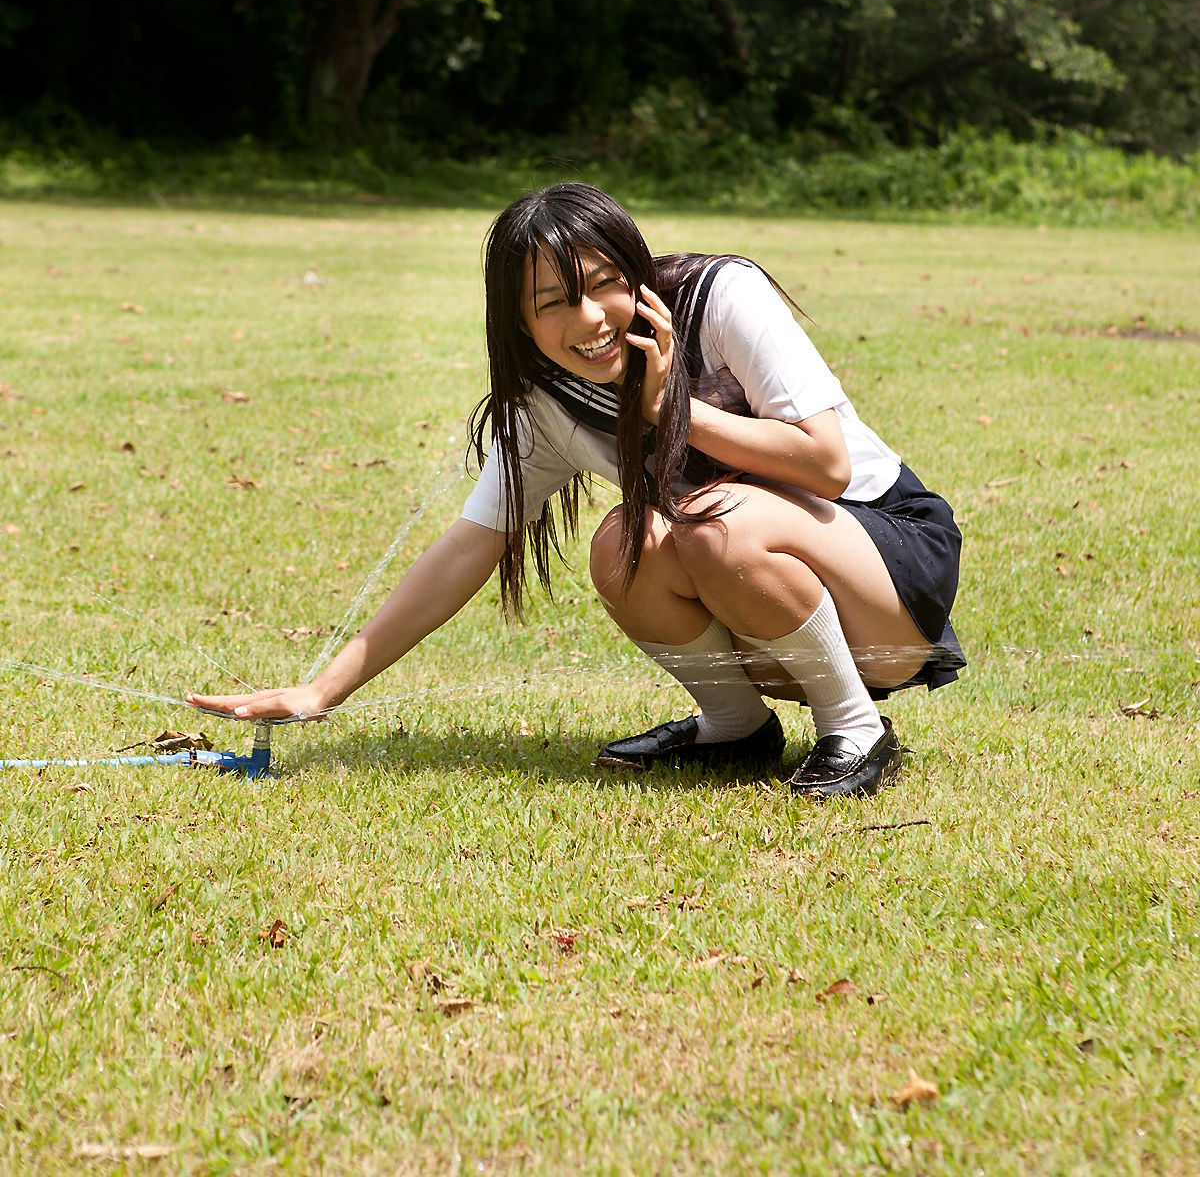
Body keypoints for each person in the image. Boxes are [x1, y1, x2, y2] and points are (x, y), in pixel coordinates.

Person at [188, 183, 964, 800]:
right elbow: (470, 546)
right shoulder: (545, 406)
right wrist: (322, 690)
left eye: (603, 285)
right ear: (518, 320)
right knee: (624, 541)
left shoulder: (720, 298)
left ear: (634, 270)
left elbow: (825, 463)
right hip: (773, 593)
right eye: (553, 302)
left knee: (710, 518)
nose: (589, 320)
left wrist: (668, 412)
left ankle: (854, 730)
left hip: (886, 568)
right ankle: (735, 727)